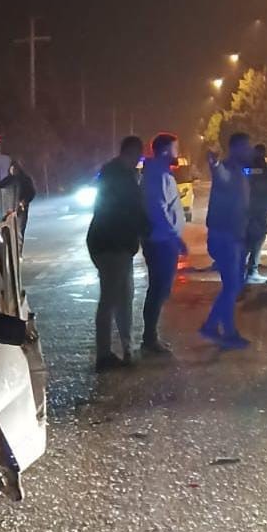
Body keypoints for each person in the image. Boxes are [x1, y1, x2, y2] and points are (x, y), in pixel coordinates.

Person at [86, 136, 149, 372]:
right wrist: (149, 231)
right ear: (132, 153)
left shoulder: (110, 172)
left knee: (122, 297)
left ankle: (125, 348)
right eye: (138, 157)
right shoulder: (123, 177)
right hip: (113, 245)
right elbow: (133, 211)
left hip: (108, 242)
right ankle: (104, 355)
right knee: (113, 299)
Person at [201, 132, 253, 350]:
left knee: (233, 285)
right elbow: (220, 175)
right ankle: (220, 329)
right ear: (235, 148)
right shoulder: (228, 169)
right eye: (246, 147)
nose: (250, 151)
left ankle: (217, 327)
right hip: (226, 236)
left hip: (233, 235)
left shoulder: (240, 170)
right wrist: (214, 164)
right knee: (232, 285)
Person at [140, 133, 187, 356]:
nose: (178, 152)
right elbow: (157, 209)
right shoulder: (157, 174)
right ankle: (149, 338)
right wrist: (174, 236)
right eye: (176, 148)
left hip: (163, 239)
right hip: (160, 241)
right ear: (166, 150)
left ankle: (150, 336)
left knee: (161, 289)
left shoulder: (162, 172)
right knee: (159, 289)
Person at [245, 143, 267, 281]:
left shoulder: (248, 169)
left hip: (250, 209)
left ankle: (244, 269)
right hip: (262, 210)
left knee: (249, 241)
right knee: (257, 241)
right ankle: (251, 270)